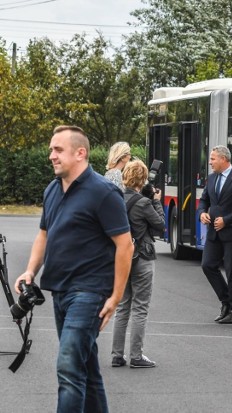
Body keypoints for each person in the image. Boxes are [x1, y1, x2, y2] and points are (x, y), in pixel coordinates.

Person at [14, 125, 134, 412]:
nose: (51, 156)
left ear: (80, 153)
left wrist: (116, 297)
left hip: (90, 292)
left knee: (68, 367)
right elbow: (44, 234)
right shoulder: (52, 190)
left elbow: (125, 245)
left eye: (58, 150)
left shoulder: (104, 193)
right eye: (51, 150)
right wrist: (30, 271)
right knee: (87, 369)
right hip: (60, 291)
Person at [111, 160, 165, 368]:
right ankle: (136, 355)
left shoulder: (115, 200)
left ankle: (117, 354)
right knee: (140, 308)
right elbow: (160, 225)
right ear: (142, 179)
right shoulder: (143, 203)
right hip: (142, 256)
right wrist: (157, 201)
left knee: (123, 306)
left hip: (122, 257)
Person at [197, 145, 232, 324]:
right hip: (213, 232)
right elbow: (204, 200)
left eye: (213, 159)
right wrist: (202, 213)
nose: (210, 162)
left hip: (231, 232)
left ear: (223, 159)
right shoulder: (212, 178)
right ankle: (226, 301)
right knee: (207, 265)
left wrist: (227, 220)